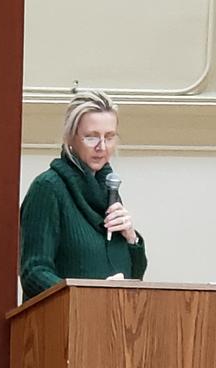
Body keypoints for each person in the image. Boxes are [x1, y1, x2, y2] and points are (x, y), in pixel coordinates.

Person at [19, 90, 147, 300]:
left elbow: (135, 276)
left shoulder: (109, 191)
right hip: (68, 317)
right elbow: (34, 273)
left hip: (115, 316)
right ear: (71, 138)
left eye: (109, 137)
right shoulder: (48, 188)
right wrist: (87, 296)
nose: (102, 147)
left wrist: (131, 238)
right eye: (91, 137)